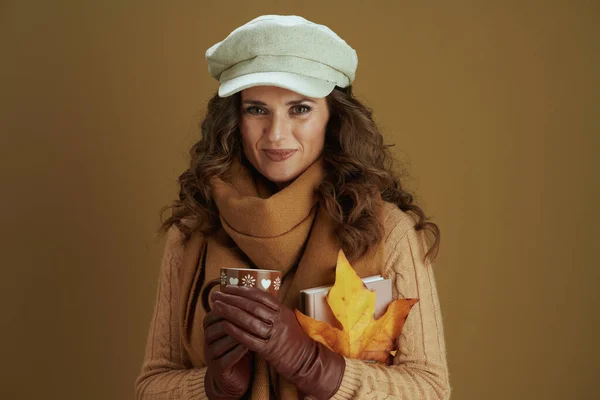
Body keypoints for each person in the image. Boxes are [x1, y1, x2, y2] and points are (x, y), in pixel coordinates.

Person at [135, 14, 451, 400]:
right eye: (256, 109)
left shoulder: (387, 230)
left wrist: (315, 367)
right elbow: (151, 386)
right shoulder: (191, 233)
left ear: (333, 117)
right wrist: (212, 387)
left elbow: (431, 389)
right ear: (234, 119)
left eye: (299, 108)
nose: (276, 134)